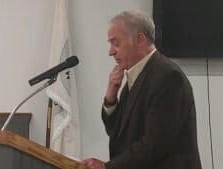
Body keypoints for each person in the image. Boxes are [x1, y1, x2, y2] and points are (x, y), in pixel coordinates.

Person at [82, 10, 202, 169]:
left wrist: (108, 167)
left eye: (116, 43)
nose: (111, 52)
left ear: (140, 40)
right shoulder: (138, 73)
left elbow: (155, 145)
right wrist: (111, 97)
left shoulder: (169, 77)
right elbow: (116, 132)